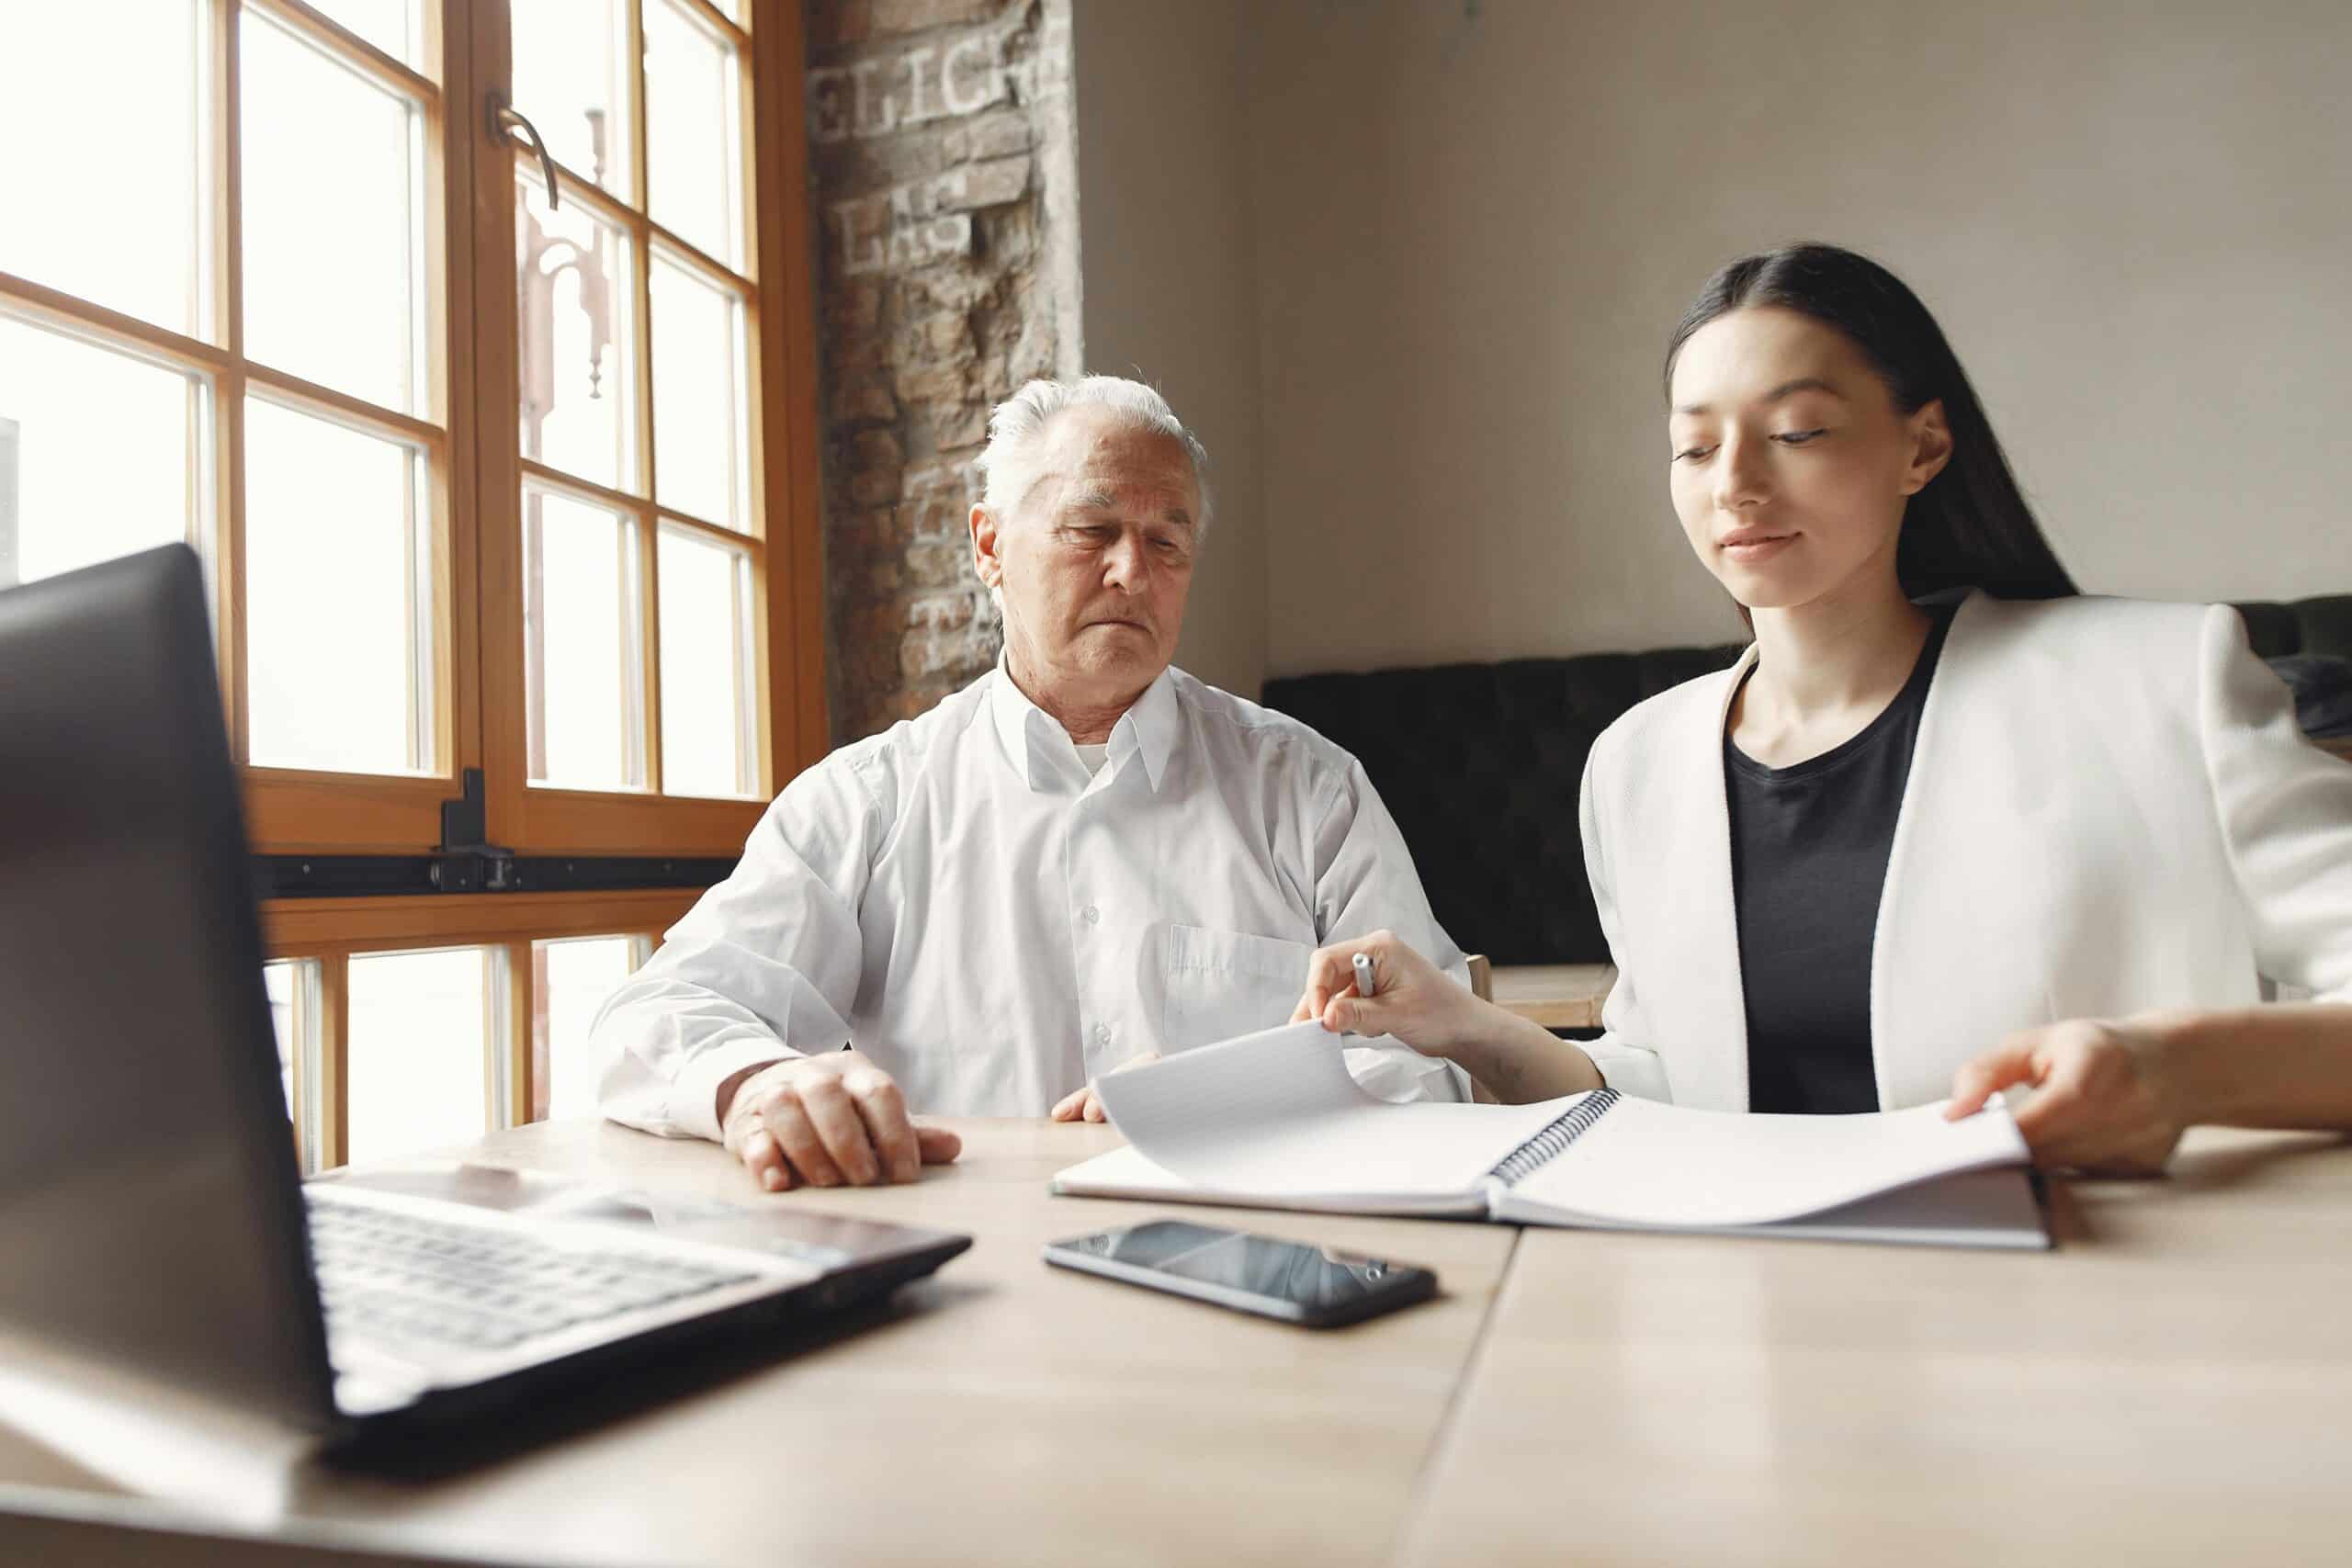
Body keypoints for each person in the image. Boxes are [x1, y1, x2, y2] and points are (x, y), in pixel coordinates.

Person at [1295, 243, 2352, 1174]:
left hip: (2113, 1324)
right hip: (1765, 1326)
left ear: (1922, 447)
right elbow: (1673, 1093)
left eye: (1796, 432)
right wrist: (1464, 1027)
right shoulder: (1639, 760)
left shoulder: (2163, 681)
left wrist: (2174, 1073)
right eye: (1696, 446)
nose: (1735, 485)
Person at [595, 376, 1471, 1191]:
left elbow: (1444, 1052)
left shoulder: (1308, 790)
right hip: (962, 1292)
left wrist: (1240, 1096)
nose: (1134, 571)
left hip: (1260, 1265)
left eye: (1168, 541)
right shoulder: (868, 803)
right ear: (989, 546)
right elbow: (657, 1016)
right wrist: (759, 1085)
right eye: (1092, 530)